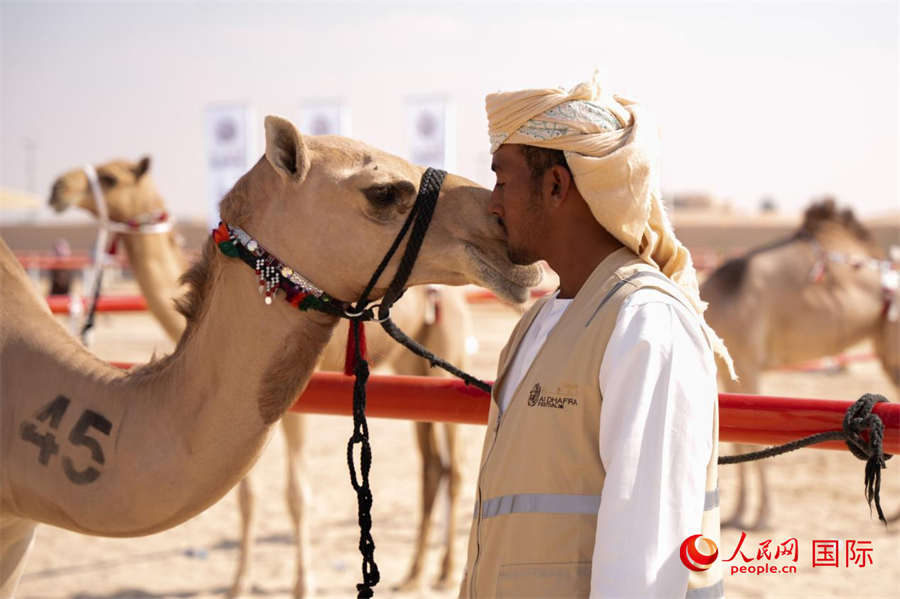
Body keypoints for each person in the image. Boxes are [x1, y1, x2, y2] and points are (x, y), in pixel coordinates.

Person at [459, 71, 735, 599]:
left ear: (556, 186)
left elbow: (647, 563)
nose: (492, 204)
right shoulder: (535, 326)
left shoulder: (647, 324)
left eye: (502, 180)